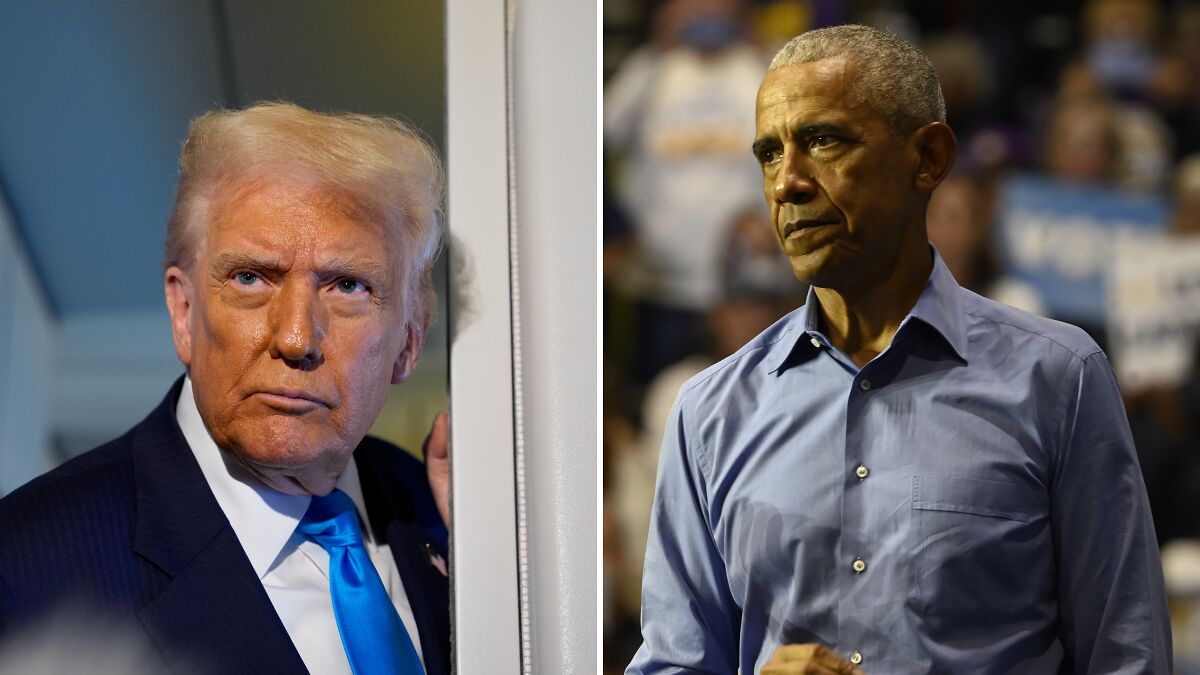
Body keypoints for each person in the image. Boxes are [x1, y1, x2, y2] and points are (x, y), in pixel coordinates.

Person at [628, 25, 1171, 674]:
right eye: (769, 154)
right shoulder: (708, 411)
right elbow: (674, 661)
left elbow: (1125, 654)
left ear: (928, 159)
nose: (787, 183)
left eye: (823, 140)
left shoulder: (1059, 377)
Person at [0, 102, 451, 674]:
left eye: (347, 286)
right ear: (184, 311)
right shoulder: (25, 570)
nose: (295, 337)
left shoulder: (451, 521)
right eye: (251, 277)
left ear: (410, 339)